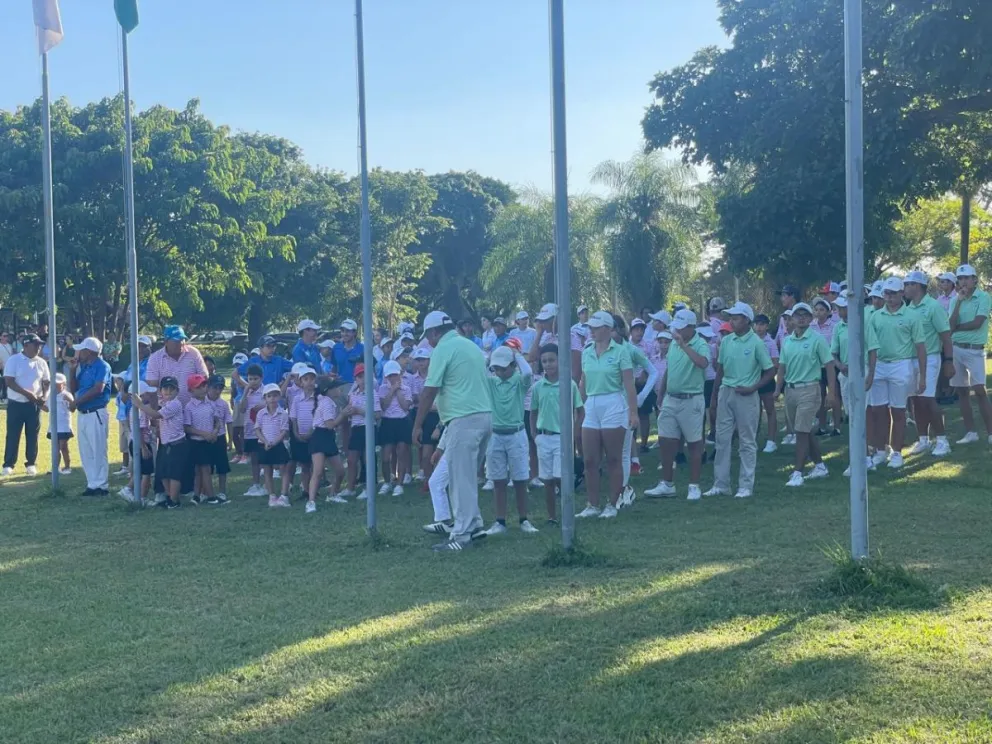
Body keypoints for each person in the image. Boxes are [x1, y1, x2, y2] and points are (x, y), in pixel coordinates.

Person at [412, 310, 494, 551]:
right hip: (485, 417)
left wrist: (417, 424)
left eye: (428, 335)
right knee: (467, 477)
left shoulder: (442, 350)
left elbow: (429, 390)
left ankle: (461, 535)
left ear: (435, 332)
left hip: (463, 419)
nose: (428, 340)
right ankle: (475, 525)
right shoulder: (469, 346)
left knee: (459, 480)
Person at [704, 302, 776, 499]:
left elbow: (770, 370)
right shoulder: (726, 341)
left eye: (735, 318)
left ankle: (746, 485)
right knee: (722, 438)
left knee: (747, 440)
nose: (731, 321)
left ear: (746, 320)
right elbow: (720, 370)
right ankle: (721, 484)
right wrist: (714, 398)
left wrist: (753, 387)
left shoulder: (757, 343)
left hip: (747, 395)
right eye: (731, 318)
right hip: (726, 391)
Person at [576, 311, 637, 518]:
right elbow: (583, 382)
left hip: (613, 402)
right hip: (592, 403)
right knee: (590, 459)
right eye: (590, 327)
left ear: (607, 329)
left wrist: (633, 412)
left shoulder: (621, 352)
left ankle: (613, 503)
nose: (591, 331)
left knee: (613, 458)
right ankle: (592, 504)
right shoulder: (587, 352)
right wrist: (579, 406)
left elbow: (629, 384)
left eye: (596, 327)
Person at [645, 309, 710, 500]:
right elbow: (669, 370)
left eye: (682, 328)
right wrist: (661, 394)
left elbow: (703, 363)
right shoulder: (674, 343)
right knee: (665, 441)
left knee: (694, 443)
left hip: (692, 399)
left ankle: (694, 486)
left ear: (691, 327)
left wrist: (684, 346)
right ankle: (667, 483)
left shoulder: (700, 343)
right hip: (671, 399)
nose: (678, 332)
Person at [867, 277, 927, 469]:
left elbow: (920, 347)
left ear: (902, 293)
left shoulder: (911, 316)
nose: (889, 297)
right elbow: (871, 348)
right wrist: (871, 372)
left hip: (901, 365)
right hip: (879, 365)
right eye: (886, 293)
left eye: (893, 293)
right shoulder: (875, 317)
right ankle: (880, 450)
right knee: (877, 410)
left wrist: (923, 376)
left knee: (898, 410)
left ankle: (896, 452)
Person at [479, 345, 538, 536]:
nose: (500, 371)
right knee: (498, 480)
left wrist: (517, 354)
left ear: (513, 366)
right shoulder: (491, 382)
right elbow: (481, 370)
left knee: (520, 480)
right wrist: (490, 360)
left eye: (504, 367)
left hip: (516, 434)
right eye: (496, 368)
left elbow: (528, 371)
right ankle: (500, 521)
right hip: (495, 436)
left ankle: (524, 519)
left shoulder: (519, 382)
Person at [776, 303, 835, 486]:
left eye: (805, 315)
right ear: (791, 319)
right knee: (804, 430)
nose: (801, 318)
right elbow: (782, 367)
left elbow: (830, 365)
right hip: (791, 390)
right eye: (797, 315)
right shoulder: (787, 341)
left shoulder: (817, 339)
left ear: (811, 319)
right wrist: (778, 389)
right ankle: (819, 465)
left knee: (801, 432)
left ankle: (797, 472)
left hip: (810, 388)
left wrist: (831, 392)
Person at [530, 343, 583, 525]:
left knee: (562, 478)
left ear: (559, 360)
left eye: (551, 360)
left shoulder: (569, 384)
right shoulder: (538, 387)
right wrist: (534, 434)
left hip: (562, 437)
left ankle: (567, 512)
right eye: (544, 361)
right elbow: (533, 411)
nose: (548, 364)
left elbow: (580, 410)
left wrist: (575, 433)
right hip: (544, 437)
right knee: (547, 480)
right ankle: (551, 516)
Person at [903, 271, 953, 457]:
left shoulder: (934, 307)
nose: (905, 288)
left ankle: (942, 440)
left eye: (908, 284)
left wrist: (949, 360)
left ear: (917, 285)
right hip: (911, 358)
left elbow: (946, 337)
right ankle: (923, 439)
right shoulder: (907, 309)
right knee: (916, 400)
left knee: (928, 399)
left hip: (931, 358)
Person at [948, 264, 992, 445]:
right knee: (962, 391)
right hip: (956, 348)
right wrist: (958, 301)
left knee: (980, 390)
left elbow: (977, 322)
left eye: (967, 278)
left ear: (975, 279)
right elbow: (950, 324)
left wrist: (957, 328)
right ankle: (971, 432)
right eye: (961, 278)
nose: (964, 282)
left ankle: (990, 433)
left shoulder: (983, 297)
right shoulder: (955, 300)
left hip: (975, 349)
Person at [68, 337, 113, 496]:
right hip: (83, 412)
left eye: (81, 350)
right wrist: (73, 371)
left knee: (98, 449)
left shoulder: (102, 366)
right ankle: (92, 484)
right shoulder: (85, 367)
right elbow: (74, 387)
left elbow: (98, 389)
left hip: (95, 411)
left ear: (89, 351)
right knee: (86, 450)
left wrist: (76, 402)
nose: (78, 353)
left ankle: (101, 485)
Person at [133, 376, 186, 509]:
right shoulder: (165, 403)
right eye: (165, 388)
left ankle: (174, 500)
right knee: (163, 473)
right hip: (166, 443)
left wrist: (140, 405)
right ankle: (169, 496)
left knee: (174, 474)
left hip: (176, 444)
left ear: (177, 391)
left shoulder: (175, 404)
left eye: (171, 388)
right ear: (161, 390)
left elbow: (156, 415)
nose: (168, 391)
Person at [2, 334, 50, 477]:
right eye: (36, 344)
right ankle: (9, 464)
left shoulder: (41, 362)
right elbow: (9, 381)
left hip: (33, 405)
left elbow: (46, 382)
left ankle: (31, 463)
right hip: (16, 404)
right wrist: (28, 394)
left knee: (32, 434)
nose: (38, 347)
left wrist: (44, 396)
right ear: (26, 345)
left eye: (39, 345)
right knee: (13, 434)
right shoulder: (14, 360)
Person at [145, 326, 208, 406]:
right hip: (166, 409)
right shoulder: (155, 358)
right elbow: (152, 386)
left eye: (182, 339)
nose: (181, 343)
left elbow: (204, 377)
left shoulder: (193, 353)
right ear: (166, 342)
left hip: (193, 407)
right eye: (176, 341)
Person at [344, 364, 381, 500]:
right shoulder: (353, 395)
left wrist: (360, 411)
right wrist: (349, 413)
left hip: (368, 427)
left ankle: (368, 488)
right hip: (356, 427)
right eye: (360, 376)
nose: (363, 379)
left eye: (365, 376)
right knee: (352, 459)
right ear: (356, 379)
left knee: (367, 459)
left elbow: (377, 414)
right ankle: (350, 487)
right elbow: (349, 413)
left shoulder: (373, 394)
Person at [377, 360, 413, 497]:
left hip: (402, 422)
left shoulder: (407, 389)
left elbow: (405, 406)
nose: (393, 378)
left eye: (395, 375)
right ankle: (387, 482)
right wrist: (391, 390)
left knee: (401, 452)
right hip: (387, 422)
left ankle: (400, 484)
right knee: (386, 455)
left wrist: (398, 391)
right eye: (390, 376)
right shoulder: (382, 389)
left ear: (400, 374)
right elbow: (384, 406)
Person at [183, 374, 218, 506]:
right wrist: (204, 434)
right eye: (199, 387)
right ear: (191, 390)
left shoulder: (210, 404)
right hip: (196, 442)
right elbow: (187, 427)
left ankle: (197, 496)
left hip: (209, 441)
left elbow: (217, 420)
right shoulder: (189, 407)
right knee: (203, 469)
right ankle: (210, 496)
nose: (203, 389)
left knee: (204, 469)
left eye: (204, 385)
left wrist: (214, 432)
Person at [255, 383, 291, 507]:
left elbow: (284, 431)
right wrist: (265, 442)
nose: (272, 399)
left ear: (279, 397)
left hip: (278, 444)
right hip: (264, 445)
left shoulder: (283, 414)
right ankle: (272, 496)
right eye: (269, 396)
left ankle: (284, 495)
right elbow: (257, 429)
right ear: (265, 398)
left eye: (275, 395)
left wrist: (274, 443)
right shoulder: (260, 414)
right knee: (267, 470)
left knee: (283, 469)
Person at [809, 297, 842, 436]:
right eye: (816, 310)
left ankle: (836, 426)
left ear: (829, 312)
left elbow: (835, 346)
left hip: (831, 365)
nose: (819, 312)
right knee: (820, 397)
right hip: (817, 366)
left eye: (822, 310)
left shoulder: (834, 325)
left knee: (834, 395)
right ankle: (822, 427)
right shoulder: (811, 326)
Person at [235, 364, 266, 497]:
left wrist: (264, 405)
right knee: (254, 458)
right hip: (250, 430)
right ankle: (256, 483)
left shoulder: (265, 391)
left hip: (264, 430)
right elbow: (242, 409)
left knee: (265, 458)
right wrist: (245, 392)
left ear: (261, 378)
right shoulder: (247, 392)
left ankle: (267, 483)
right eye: (250, 379)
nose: (252, 382)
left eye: (255, 379)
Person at [753, 314, 780, 453]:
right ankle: (753, 439)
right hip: (753, 376)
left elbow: (776, 363)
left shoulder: (770, 342)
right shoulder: (750, 340)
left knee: (769, 410)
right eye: (757, 324)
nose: (759, 327)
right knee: (754, 411)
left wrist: (770, 376)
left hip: (766, 377)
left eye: (762, 324)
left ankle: (771, 441)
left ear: (766, 326)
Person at [206, 374, 233, 504]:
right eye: (215, 387)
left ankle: (222, 491)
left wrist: (230, 440)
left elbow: (229, 421)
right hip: (206, 437)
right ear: (208, 387)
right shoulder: (203, 402)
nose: (217, 391)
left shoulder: (223, 404)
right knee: (207, 466)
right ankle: (206, 491)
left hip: (220, 436)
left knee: (222, 465)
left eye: (220, 388)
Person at [45, 373, 74, 475]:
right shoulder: (50, 395)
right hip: (53, 426)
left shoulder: (66, 395)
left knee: (63, 446)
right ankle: (55, 467)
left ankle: (67, 467)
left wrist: (70, 400)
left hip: (64, 425)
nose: (56, 386)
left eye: (58, 384)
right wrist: (37, 402)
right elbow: (46, 408)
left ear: (64, 384)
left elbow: (73, 409)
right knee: (55, 448)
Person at [331, 319, 365, 384]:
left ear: (354, 332)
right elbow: (334, 367)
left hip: (357, 387)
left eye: (348, 331)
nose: (344, 334)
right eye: (342, 331)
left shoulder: (363, 349)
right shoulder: (336, 348)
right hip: (340, 386)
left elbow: (370, 370)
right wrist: (332, 377)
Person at [0, 331, 15, 402]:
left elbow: (11, 355)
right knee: (2, 382)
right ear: (0, 337)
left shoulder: (9, 345)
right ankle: (3, 396)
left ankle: (6, 396)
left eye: (7, 336)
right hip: (1, 366)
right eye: (4, 335)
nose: (6, 337)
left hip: (8, 367)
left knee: (7, 382)